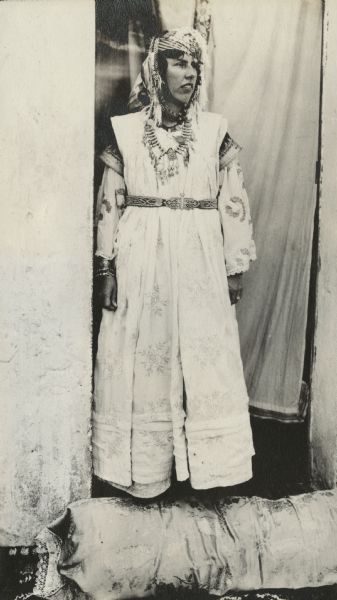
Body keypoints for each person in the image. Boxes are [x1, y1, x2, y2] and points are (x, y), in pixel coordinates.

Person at [92, 27, 257, 499]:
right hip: (142, 259)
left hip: (199, 259)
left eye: (195, 65)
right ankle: (146, 472)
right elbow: (110, 202)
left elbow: (234, 201)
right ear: (158, 71)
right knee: (145, 357)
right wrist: (106, 267)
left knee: (204, 358)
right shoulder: (125, 131)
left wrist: (233, 266)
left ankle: (210, 475)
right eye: (180, 63)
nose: (190, 73)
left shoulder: (214, 132)